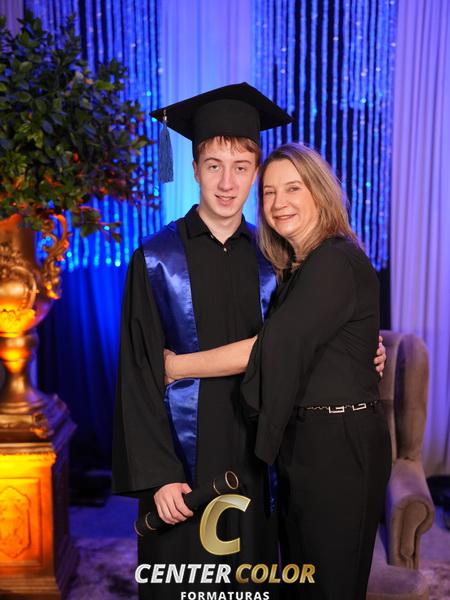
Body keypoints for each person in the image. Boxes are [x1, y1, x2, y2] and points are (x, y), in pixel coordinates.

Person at [164, 142, 392, 600]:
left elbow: (270, 349)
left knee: (330, 585)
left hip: (339, 448)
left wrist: (176, 366)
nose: (278, 202)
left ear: (320, 193)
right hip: (308, 441)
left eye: (293, 188)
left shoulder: (334, 259)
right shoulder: (297, 269)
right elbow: (320, 344)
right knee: (305, 580)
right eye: (268, 192)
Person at [112, 83, 292, 599]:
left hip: (256, 457)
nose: (227, 182)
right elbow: (138, 373)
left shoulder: (275, 260)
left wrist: (365, 352)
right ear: (194, 169)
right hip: (182, 462)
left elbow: (301, 347)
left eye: (241, 166)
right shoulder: (156, 259)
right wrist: (159, 475)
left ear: (255, 172)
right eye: (214, 165)